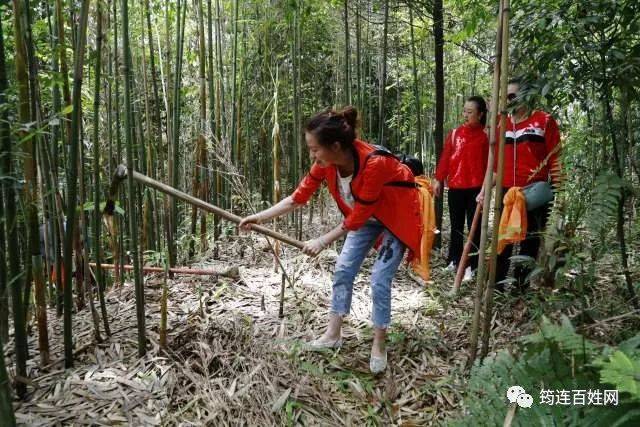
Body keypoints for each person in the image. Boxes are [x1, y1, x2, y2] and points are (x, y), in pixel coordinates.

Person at [239, 106, 422, 374]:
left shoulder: (374, 164)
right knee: (343, 269)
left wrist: (322, 241)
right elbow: (297, 198)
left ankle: (379, 343)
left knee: (379, 279)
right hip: (364, 218)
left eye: (315, 149)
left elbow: (357, 218)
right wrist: (259, 217)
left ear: (335, 146)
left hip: (395, 218)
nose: (312, 155)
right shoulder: (326, 165)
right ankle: (333, 334)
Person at [477, 78, 562, 292]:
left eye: (512, 96)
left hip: (534, 193)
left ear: (526, 96)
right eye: (504, 97)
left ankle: (520, 289)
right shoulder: (499, 123)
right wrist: (484, 190)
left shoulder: (544, 120)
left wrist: (561, 192)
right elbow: (494, 167)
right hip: (506, 194)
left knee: (530, 242)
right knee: (502, 240)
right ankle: (495, 287)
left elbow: (556, 159)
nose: (507, 101)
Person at [432, 96, 489, 282]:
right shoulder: (455, 133)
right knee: (456, 226)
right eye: (464, 111)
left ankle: (473, 266)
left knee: (475, 228)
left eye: (470, 112)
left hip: (476, 189)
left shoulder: (487, 136)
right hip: (456, 186)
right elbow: (446, 158)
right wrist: (438, 179)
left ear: (480, 115)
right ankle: (454, 261)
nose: (465, 115)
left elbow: (491, 164)